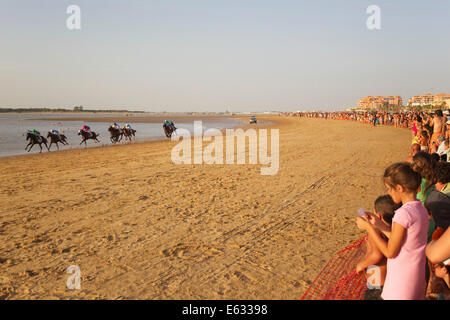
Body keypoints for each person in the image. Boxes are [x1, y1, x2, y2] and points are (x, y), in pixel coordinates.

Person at [356, 162, 429, 300]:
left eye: (389, 189)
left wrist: (369, 228)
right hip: (416, 281)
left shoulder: (402, 214)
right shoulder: (421, 210)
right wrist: (380, 225)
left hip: (401, 286)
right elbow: (405, 242)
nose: (388, 193)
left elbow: (390, 252)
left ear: (400, 188)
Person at [356, 195, 400, 289]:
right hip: (388, 279)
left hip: (376, 281)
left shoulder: (375, 232)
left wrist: (361, 265)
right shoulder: (395, 231)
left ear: (378, 216)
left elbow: (376, 255)